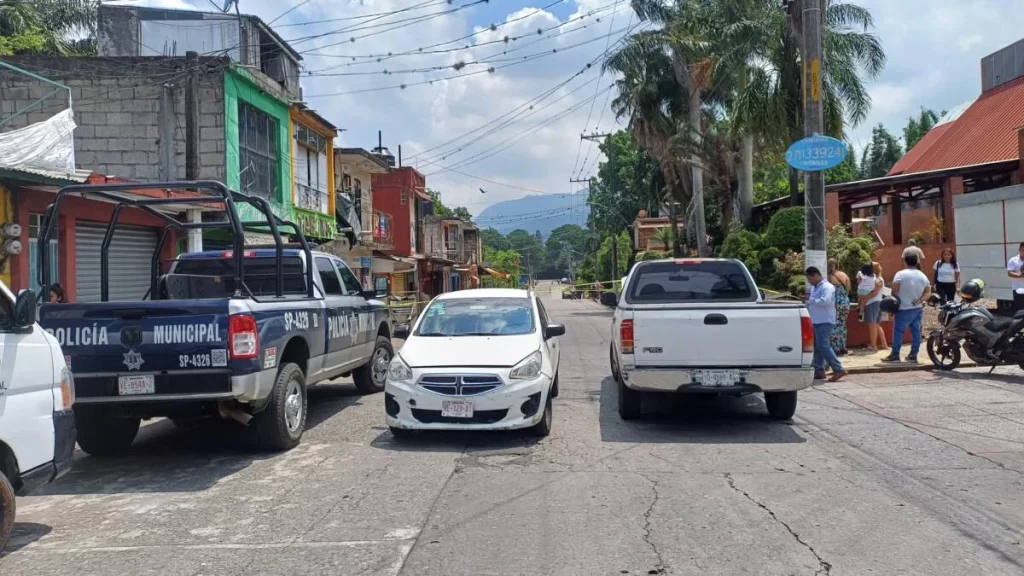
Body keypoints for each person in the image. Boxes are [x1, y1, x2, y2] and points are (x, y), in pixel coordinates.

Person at [884, 253, 931, 363]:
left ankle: (895, 355)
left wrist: (893, 306)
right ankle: (913, 355)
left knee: (898, 331)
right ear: (917, 262)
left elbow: (894, 291)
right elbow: (928, 292)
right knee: (916, 332)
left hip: (903, 308)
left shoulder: (900, 274)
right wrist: (919, 300)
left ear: (905, 261)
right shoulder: (923, 276)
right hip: (917, 308)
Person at [805, 266, 846, 382]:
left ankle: (838, 369)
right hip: (816, 320)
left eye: (810, 279)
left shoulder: (827, 287)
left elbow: (825, 301)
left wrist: (810, 300)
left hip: (825, 320)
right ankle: (819, 370)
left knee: (823, 345)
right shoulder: (815, 288)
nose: (809, 281)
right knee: (817, 346)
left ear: (816, 276)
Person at [857, 262, 888, 351]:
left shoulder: (877, 280)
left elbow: (874, 293)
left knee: (872, 325)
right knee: (876, 325)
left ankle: (873, 346)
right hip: (878, 303)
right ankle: (884, 344)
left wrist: (864, 298)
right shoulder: (879, 279)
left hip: (872, 303)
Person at [827, 259, 851, 355]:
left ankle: (835, 347)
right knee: (842, 324)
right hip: (845, 301)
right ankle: (843, 346)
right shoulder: (844, 275)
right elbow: (848, 289)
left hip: (835, 302)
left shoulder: (829, 277)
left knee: (834, 324)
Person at [1008, 242, 1024, 312]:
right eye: (1023, 250)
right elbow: (1010, 273)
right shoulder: (1013, 260)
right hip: (1018, 289)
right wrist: (1020, 275)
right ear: (1019, 250)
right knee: (1020, 310)